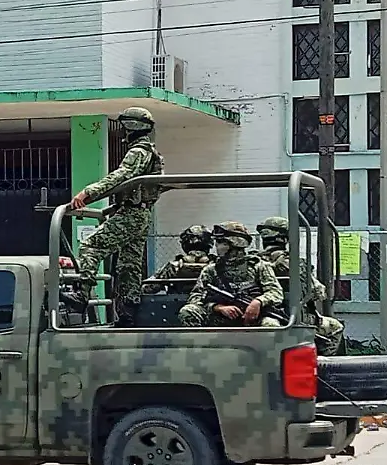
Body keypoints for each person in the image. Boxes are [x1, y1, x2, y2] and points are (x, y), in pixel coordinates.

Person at [68, 106, 164, 326]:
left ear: (131, 126)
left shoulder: (138, 151)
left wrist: (87, 193)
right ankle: (128, 314)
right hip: (140, 213)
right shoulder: (150, 151)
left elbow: (121, 176)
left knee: (91, 246)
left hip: (132, 212)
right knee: (128, 267)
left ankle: (81, 295)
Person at [254, 216, 345, 355]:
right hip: (292, 316)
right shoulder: (295, 262)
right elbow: (319, 292)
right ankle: (322, 365)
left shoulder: (253, 261)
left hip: (263, 315)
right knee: (335, 328)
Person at [178, 221, 284, 329]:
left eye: (220, 242)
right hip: (220, 316)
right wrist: (217, 307)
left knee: (271, 325)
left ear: (234, 243)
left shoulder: (258, 266)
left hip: (253, 315)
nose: (217, 247)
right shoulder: (211, 270)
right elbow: (195, 297)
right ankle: (200, 346)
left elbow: (275, 292)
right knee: (188, 311)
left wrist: (258, 302)